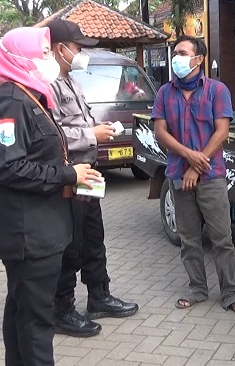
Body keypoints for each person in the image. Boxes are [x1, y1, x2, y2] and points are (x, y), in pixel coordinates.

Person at [0, 26, 103, 366]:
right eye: (44, 53)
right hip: (28, 233)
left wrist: (72, 177)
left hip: (41, 229)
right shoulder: (10, 104)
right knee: (35, 321)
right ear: (22, 58)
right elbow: (7, 167)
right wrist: (68, 174)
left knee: (22, 311)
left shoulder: (30, 97)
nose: (49, 59)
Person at [47, 18, 138, 337]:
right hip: (70, 172)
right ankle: (63, 308)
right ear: (59, 49)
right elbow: (52, 134)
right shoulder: (48, 85)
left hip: (90, 170)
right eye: (77, 47)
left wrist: (102, 132)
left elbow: (80, 122)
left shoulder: (71, 79)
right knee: (70, 244)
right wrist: (91, 132)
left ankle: (99, 295)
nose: (81, 53)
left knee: (93, 236)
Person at [151, 35, 235, 317]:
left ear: (198, 59)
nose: (176, 58)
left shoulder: (216, 91)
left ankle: (230, 293)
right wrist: (188, 156)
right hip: (177, 175)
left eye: (182, 53)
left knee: (222, 238)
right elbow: (160, 132)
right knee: (189, 238)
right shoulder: (165, 93)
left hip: (210, 176)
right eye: (175, 53)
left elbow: (222, 132)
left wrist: (197, 165)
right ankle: (197, 289)